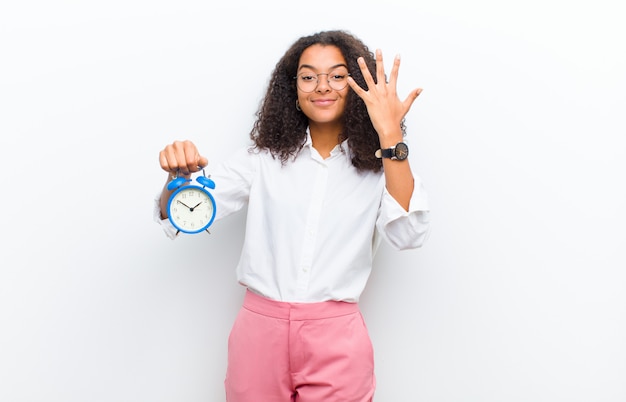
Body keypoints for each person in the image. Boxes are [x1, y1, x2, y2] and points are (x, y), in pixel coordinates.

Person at [154, 29, 430, 402]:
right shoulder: (262, 160)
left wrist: (390, 134)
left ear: (357, 87)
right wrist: (176, 178)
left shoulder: (381, 169)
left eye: (337, 75)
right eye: (308, 76)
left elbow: (409, 235)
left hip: (337, 337)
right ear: (293, 91)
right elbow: (179, 213)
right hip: (259, 333)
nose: (322, 86)